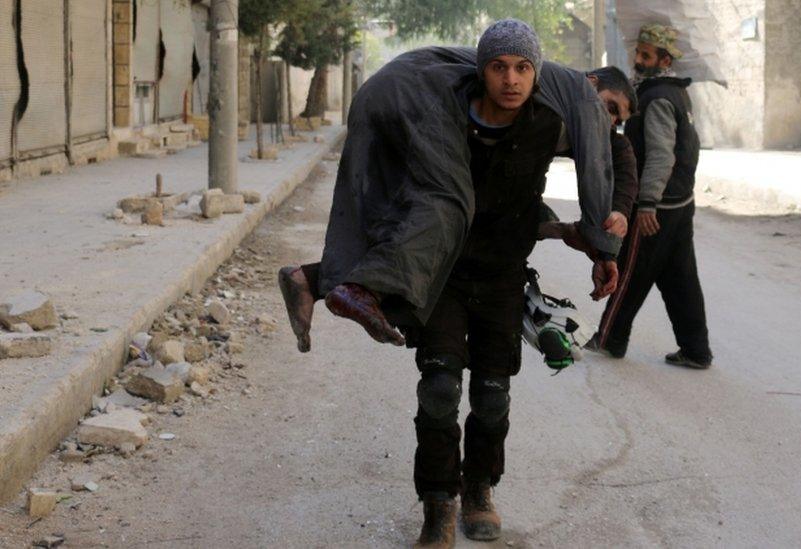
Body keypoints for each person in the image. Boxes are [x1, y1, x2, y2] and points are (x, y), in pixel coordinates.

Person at [281, 20, 626, 548]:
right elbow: (413, 196)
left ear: (537, 74)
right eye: (498, 67)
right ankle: (437, 508)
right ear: (480, 70)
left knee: (492, 398)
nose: (510, 79)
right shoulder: (442, 117)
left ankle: (480, 490)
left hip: (504, 280)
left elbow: (611, 158)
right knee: (439, 392)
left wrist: (598, 234)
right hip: (444, 279)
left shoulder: (545, 125)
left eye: (522, 68)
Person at [280, 65, 640, 354]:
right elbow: (589, 174)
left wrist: (617, 213)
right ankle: (362, 289)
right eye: (609, 107)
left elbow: (616, 156)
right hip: (411, 101)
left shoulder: (545, 108)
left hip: (383, 94)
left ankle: (310, 280)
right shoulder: (546, 95)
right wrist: (600, 244)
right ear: (590, 83)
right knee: (446, 205)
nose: (607, 120)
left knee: (397, 214)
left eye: (617, 118)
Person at [587, 24, 714, 369]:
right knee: (680, 278)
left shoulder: (657, 97)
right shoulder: (676, 92)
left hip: (657, 206)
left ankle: (609, 340)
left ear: (664, 59)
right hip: (679, 203)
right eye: (638, 52)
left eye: (646, 55)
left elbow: (661, 155)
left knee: (629, 270)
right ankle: (696, 350)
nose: (638, 60)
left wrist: (647, 202)